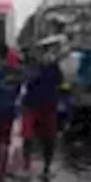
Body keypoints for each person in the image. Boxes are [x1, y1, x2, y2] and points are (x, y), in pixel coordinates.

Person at [20, 43, 64, 172]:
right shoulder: (32, 67)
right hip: (31, 104)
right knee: (28, 135)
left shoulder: (54, 67)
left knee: (48, 137)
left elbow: (60, 82)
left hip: (48, 105)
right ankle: (26, 164)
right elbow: (28, 78)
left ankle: (46, 166)